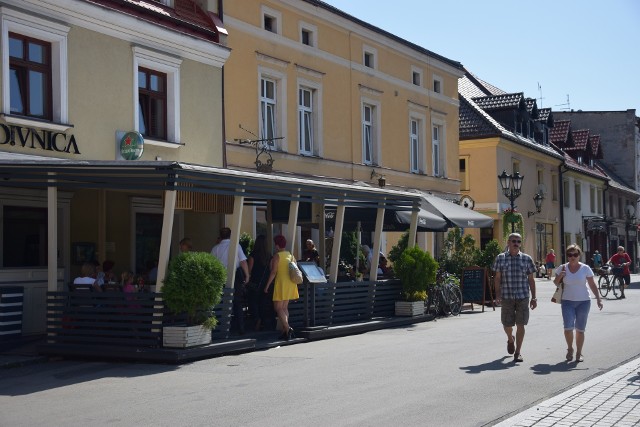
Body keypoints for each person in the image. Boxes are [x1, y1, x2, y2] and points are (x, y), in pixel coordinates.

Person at [492, 232, 537, 363]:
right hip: (507, 296)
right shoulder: (500, 258)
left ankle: (518, 352)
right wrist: (498, 295)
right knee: (506, 324)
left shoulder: (527, 259)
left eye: (518, 241)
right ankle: (510, 339)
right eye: (513, 241)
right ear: (508, 243)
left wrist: (534, 297)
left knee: (521, 324)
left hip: (523, 296)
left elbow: (531, 280)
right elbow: (497, 278)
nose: (516, 244)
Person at [554, 244, 603, 362]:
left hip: (584, 302)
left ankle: (579, 353)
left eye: (575, 254)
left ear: (579, 255)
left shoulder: (585, 268)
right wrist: (561, 275)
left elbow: (592, 284)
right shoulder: (562, 268)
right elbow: (556, 283)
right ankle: (570, 349)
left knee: (580, 329)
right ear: (567, 256)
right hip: (567, 301)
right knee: (568, 328)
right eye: (570, 255)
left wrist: (598, 298)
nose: (572, 257)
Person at [211, 227, 250, 334]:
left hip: (221, 276)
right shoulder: (236, 246)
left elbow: (212, 265)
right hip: (235, 276)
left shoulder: (215, 248)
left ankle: (221, 327)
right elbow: (243, 262)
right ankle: (240, 328)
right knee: (237, 302)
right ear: (230, 235)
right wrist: (247, 275)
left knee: (222, 301)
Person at [264, 235, 299, 340]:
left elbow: (273, 272)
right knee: (284, 308)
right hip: (290, 284)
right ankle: (285, 331)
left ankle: (288, 328)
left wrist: (267, 286)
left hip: (281, 283)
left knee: (278, 308)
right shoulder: (290, 255)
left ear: (277, 245)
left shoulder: (277, 256)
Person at [247, 235, 274, 331]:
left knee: (252, 302)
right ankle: (262, 321)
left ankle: (256, 318)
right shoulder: (269, 256)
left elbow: (249, 271)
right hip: (265, 283)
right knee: (263, 303)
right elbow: (271, 270)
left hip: (254, 283)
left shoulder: (252, 255)